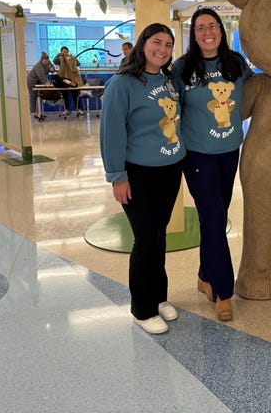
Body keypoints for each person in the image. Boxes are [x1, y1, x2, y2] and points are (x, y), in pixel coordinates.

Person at [100, 23, 185, 335]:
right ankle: (142, 308)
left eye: (168, 45)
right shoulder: (122, 84)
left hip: (170, 169)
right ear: (143, 44)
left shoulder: (169, 80)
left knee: (159, 236)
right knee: (146, 239)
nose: (163, 50)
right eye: (157, 42)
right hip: (138, 173)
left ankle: (158, 296)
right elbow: (112, 131)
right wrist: (117, 176)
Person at [172, 8, 252, 322]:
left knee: (215, 217)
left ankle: (205, 276)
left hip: (229, 152)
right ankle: (223, 291)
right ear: (193, 34)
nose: (207, 32)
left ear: (221, 29)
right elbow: (170, 109)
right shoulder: (182, 67)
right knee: (214, 218)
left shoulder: (236, 63)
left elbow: (255, 92)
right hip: (197, 155)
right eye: (200, 27)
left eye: (212, 26)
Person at [53, 46, 84, 116]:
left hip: (72, 80)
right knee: (65, 95)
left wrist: (73, 58)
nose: (65, 53)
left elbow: (78, 63)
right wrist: (60, 55)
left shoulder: (71, 58)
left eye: (66, 52)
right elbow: (54, 61)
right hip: (64, 80)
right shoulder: (59, 59)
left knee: (75, 95)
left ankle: (79, 109)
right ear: (61, 52)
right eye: (63, 52)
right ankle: (66, 109)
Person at [26, 51, 54, 119]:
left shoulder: (48, 62)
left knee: (39, 97)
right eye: (45, 62)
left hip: (38, 82)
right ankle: (34, 113)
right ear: (41, 60)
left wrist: (52, 69)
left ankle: (39, 113)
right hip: (32, 82)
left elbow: (52, 67)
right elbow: (42, 78)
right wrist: (47, 84)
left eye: (47, 61)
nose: (46, 63)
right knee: (33, 98)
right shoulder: (39, 66)